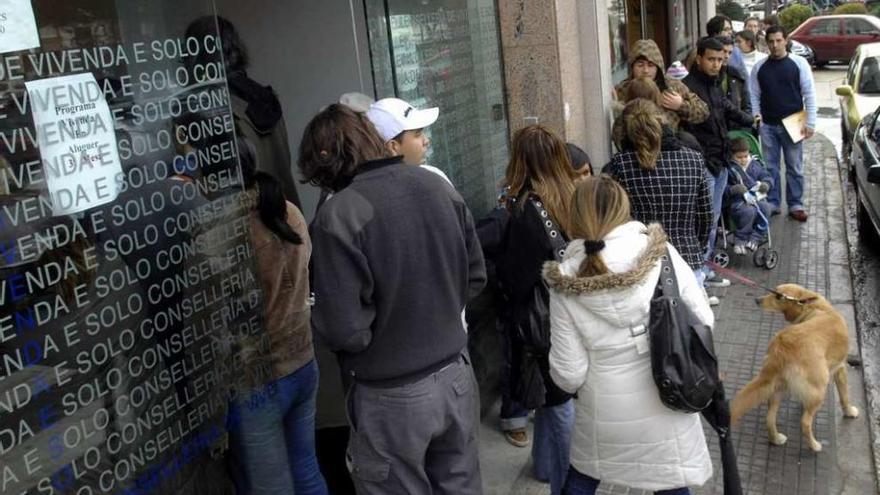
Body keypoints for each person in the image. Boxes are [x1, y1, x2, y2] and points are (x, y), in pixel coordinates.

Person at [300, 104, 486, 495]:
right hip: (455, 375)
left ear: (327, 161)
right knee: (461, 484)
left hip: (390, 392)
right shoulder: (437, 185)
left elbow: (344, 329)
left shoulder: (340, 216)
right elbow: (475, 276)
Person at [543, 176, 714, 495]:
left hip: (604, 414)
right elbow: (703, 319)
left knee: (582, 478)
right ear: (624, 208)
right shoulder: (661, 255)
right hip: (668, 397)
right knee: (671, 483)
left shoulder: (565, 279)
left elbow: (568, 374)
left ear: (575, 214)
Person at [228, 137, 328, 495]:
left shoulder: (221, 235)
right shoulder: (289, 212)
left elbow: (207, 325)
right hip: (302, 360)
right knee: (305, 469)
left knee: (272, 486)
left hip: (258, 377)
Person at [488, 125, 577, 495]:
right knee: (556, 399)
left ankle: (568, 484)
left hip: (543, 321)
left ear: (520, 160)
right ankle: (544, 467)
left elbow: (517, 275)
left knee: (557, 405)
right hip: (573, 312)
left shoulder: (526, 209)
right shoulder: (573, 196)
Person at [185, 16, 302, 208]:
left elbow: (214, 187)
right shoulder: (264, 96)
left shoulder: (212, 107)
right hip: (285, 214)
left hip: (249, 222)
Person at [604, 99, 713, 285]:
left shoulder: (620, 164)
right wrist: (695, 245)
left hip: (639, 262)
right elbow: (705, 216)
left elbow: (613, 219)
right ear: (662, 120)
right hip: (688, 258)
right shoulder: (693, 159)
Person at [682, 37, 756, 287]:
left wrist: (751, 121)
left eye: (720, 59)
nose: (716, 64)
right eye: (711, 59)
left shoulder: (715, 84)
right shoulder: (689, 87)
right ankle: (698, 276)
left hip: (721, 161)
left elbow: (727, 109)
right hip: (703, 163)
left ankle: (704, 267)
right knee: (703, 221)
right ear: (699, 58)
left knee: (712, 221)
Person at [749, 24, 817, 222]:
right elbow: (754, 94)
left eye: (779, 40)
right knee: (770, 168)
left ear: (786, 40)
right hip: (768, 124)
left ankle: (796, 204)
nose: (775, 45)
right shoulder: (759, 67)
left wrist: (810, 122)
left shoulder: (799, 64)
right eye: (771, 41)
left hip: (794, 122)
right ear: (766, 43)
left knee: (795, 166)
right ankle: (772, 202)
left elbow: (809, 94)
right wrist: (756, 117)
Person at [612, 39, 709, 151]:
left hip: (668, 150)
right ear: (632, 67)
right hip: (633, 151)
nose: (645, 70)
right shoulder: (622, 90)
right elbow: (617, 133)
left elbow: (703, 112)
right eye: (640, 65)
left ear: (658, 67)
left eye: (650, 65)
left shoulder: (672, 86)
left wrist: (681, 105)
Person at [366, 97, 453, 184]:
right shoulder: (433, 181)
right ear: (393, 147)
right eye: (418, 134)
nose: (426, 141)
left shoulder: (434, 175)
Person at [726, 138, 774, 254]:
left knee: (767, 208)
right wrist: (732, 189)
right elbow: (723, 188)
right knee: (749, 211)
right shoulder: (729, 168)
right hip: (738, 202)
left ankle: (757, 236)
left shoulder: (755, 164)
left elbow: (766, 176)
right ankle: (740, 239)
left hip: (756, 198)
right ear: (732, 156)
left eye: (745, 156)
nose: (743, 160)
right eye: (739, 157)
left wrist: (766, 184)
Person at [716, 36, 752, 128]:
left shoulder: (736, 74)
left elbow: (746, 102)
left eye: (730, 52)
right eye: (724, 51)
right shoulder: (708, 76)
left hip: (735, 127)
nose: (727, 56)